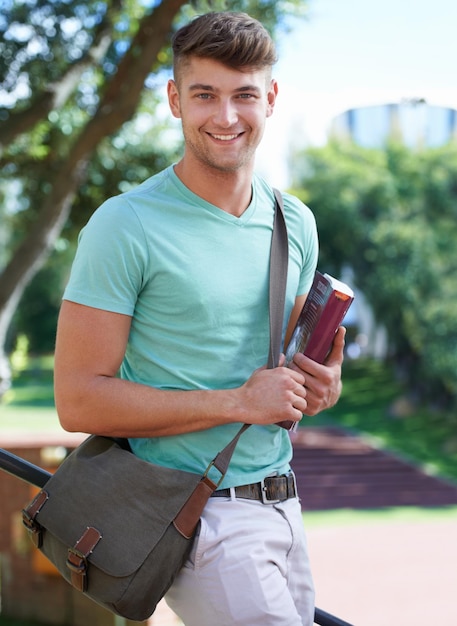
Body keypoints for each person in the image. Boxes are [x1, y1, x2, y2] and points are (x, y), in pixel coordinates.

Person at [54, 11, 345, 626]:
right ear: (174, 100)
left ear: (270, 97)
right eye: (205, 95)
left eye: (244, 95)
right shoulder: (124, 225)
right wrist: (238, 402)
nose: (226, 117)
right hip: (195, 516)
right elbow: (79, 402)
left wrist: (318, 387)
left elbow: (283, 377)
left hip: (282, 501)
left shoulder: (295, 222)